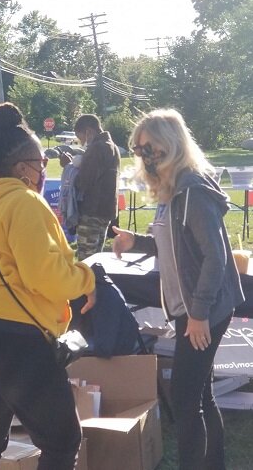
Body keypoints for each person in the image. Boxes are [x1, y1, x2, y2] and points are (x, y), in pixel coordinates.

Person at [0, 102, 96, 469]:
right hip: (15, 337)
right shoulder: (25, 203)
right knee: (62, 440)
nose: (44, 169)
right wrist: (86, 281)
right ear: (22, 169)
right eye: (41, 163)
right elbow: (44, 275)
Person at [112, 108, 242, 470]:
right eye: (138, 150)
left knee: (185, 400)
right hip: (194, 308)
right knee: (199, 394)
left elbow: (215, 259)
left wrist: (199, 314)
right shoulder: (173, 191)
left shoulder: (192, 190)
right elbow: (175, 246)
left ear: (169, 146)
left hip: (204, 310)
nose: (144, 157)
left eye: (148, 148)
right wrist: (134, 241)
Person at [60, 114, 120, 260]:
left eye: (80, 137)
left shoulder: (97, 148)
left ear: (88, 132)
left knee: (86, 259)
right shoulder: (112, 146)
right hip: (105, 211)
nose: (81, 142)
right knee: (96, 258)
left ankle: (89, 284)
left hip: (92, 212)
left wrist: (68, 166)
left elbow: (83, 181)